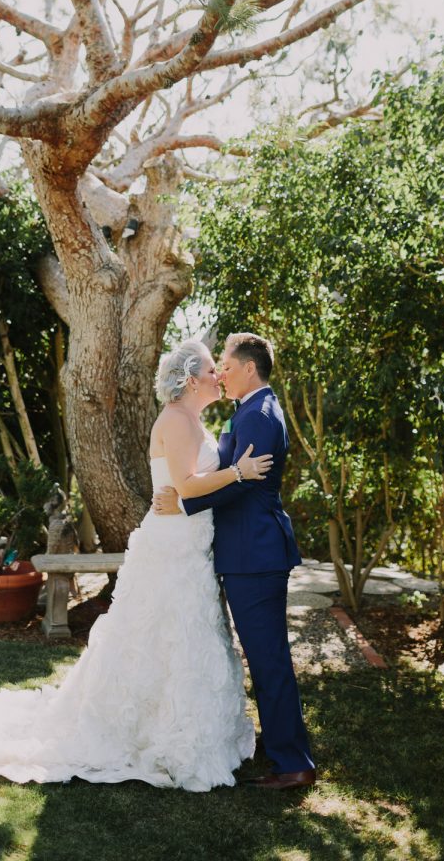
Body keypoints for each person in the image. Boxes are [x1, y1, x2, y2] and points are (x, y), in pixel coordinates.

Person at [0, 339, 270, 791]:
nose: (217, 376)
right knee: (164, 632)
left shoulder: (193, 420)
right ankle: (152, 731)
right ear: (190, 380)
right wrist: (238, 472)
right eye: (210, 370)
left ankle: (184, 727)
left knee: (183, 634)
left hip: (189, 542)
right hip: (173, 547)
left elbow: (190, 486)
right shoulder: (176, 420)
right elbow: (186, 484)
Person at [153, 332, 317, 791]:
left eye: (226, 364)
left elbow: (244, 485)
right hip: (245, 552)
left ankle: (293, 764)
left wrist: (183, 504)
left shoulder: (260, 415)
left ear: (249, 368)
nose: (221, 372)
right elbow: (229, 474)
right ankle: (281, 745)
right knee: (264, 658)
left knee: (269, 661)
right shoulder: (248, 410)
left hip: (255, 553)